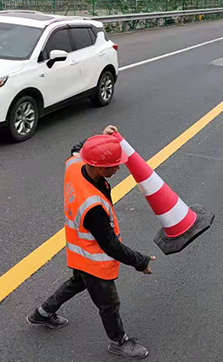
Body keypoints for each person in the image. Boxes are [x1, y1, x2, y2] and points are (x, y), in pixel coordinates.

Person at [27, 125, 154, 360]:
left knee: (77, 282)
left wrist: (103, 140)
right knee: (109, 305)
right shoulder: (93, 207)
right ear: (97, 166)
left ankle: (43, 313)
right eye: (112, 165)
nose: (117, 168)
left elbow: (79, 148)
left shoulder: (74, 164)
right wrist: (140, 261)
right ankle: (119, 342)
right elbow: (111, 246)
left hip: (78, 250)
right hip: (94, 261)